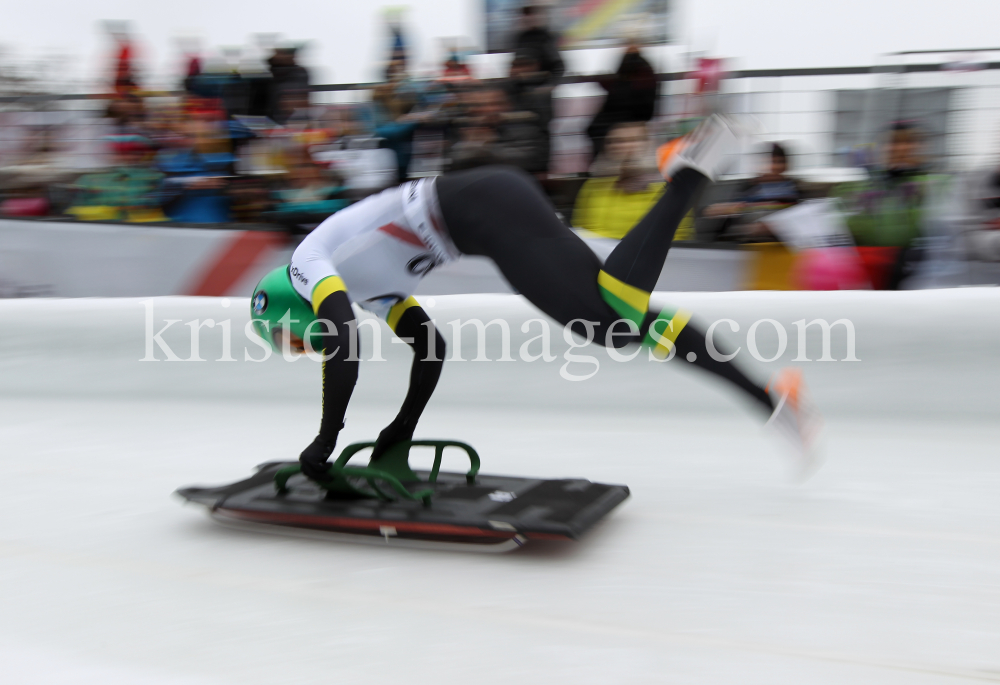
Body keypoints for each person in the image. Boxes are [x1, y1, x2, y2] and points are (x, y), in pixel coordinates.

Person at [250, 116, 821, 484]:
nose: (299, 348)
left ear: (282, 306)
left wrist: (327, 438)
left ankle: (686, 176)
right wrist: (401, 426)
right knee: (625, 321)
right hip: (487, 210)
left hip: (481, 208)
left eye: (287, 337)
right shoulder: (367, 295)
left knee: (611, 316)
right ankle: (771, 396)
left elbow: (341, 345)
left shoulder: (308, 264)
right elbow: (430, 349)